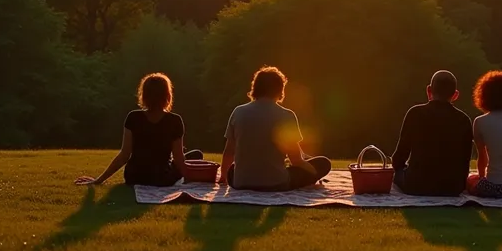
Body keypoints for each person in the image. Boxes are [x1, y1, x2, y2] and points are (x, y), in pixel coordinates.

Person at [74, 73, 202, 187]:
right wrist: (190, 181)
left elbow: (124, 155)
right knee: (196, 154)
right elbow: (179, 159)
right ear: (167, 95)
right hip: (162, 178)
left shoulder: (133, 117)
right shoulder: (175, 120)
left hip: (134, 176)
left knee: (191, 155)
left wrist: (98, 180)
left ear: (144, 95)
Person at [218, 66, 332, 191]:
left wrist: (223, 177)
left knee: (232, 170)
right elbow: (296, 160)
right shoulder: (287, 115)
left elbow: (229, 152)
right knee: (323, 163)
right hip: (276, 184)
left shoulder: (238, 112)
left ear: (255, 87)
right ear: (280, 89)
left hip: (240, 183)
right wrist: (313, 172)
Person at [390, 70, 473, 196]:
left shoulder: (415, 113)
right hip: (452, 187)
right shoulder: (464, 120)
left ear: (429, 90)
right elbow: (465, 161)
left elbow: (399, 156)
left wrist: (401, 170)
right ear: (455, 95)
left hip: (416, 185)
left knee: (397, 175)